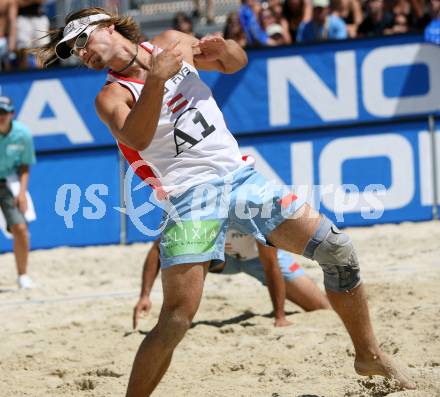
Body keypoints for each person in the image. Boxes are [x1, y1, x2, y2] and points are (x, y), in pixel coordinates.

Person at [37, 7, 415, 396]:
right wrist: (157, 81)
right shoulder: (111, 95)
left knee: (337, 248)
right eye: (73, 51)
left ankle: (368, 354)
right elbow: (137, 139)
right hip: (189, 199)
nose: (81, 53)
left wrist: (227, 46)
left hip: (240, 180)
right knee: (177, 318)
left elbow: (235, 64)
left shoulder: (172, 42)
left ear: (109, 25)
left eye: (81, 41)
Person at [133, 232, 330, 330]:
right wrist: (144, 296)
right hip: (223, 261)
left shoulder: (258, 210)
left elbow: (270, 266)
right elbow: (158, 249)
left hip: (259, 261)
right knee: (190, 249)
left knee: (321, 307)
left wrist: (280, 316)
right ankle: (179, 320)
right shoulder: (206, 208)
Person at [0, 96, 36, 289]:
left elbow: (25, 165)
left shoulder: (23, 134)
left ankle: (22, 275)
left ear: (11, 114)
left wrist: (22, 193)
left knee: (21, 229)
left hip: (7, 183)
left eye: (4, 113)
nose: (0, 116)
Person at [16, 0, 50, 69]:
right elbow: (15, 2)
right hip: (22, 18)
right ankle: (23, 77)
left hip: (39, 18)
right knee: (23, 51)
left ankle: (41, 76)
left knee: (42, 50)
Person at [0, 0, 17, 71]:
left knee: (7, 69)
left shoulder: (8, 1)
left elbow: (12, 21)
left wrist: (11, 43)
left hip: (2, 40)